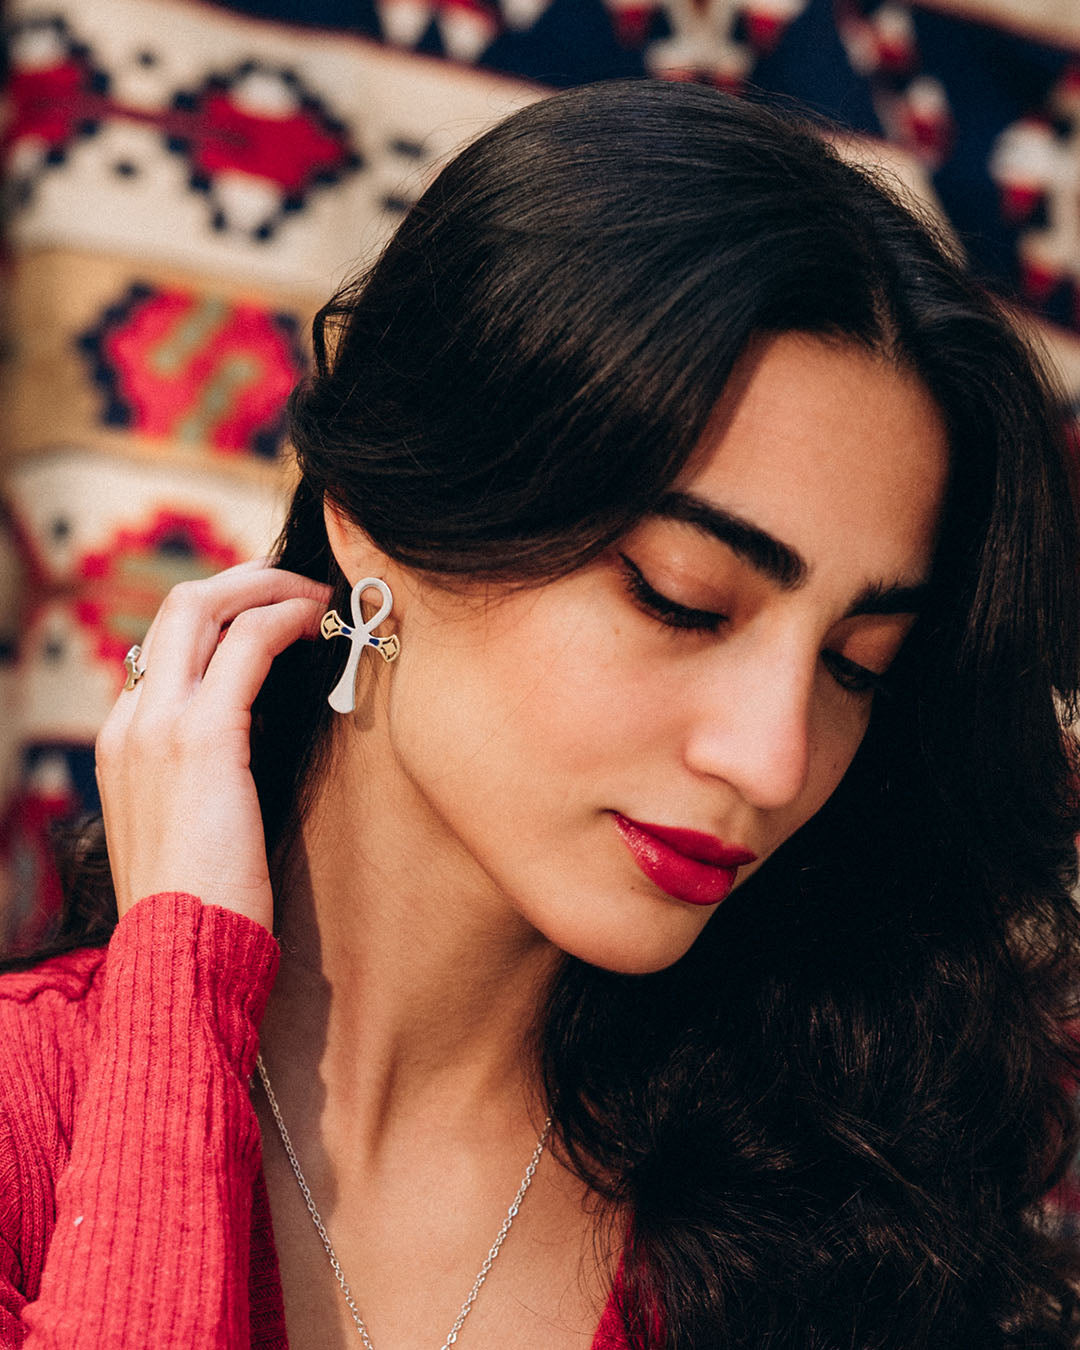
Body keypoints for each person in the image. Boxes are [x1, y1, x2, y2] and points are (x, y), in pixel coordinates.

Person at [1, 77, 1079, 1349]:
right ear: (381, 515)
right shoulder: (28, 1125)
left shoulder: (851, 1220)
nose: (773, 757)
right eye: (683, 600)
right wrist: (181, 995)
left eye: (858, 665)